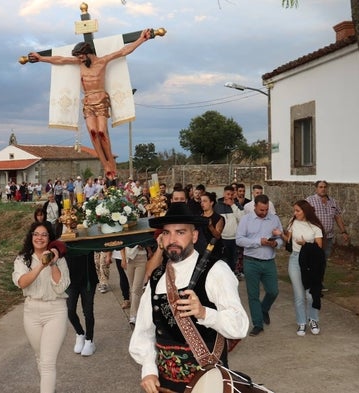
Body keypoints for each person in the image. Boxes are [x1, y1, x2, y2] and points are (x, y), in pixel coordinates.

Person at [129, 203, 249, 393]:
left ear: (194, 236)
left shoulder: (216, 270)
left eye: (180, 232)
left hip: (209, 384)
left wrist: (205, 313)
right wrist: (149, 370)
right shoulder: (157, 277)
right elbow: (144, 331)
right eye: (167, 233)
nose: (172, 239)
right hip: (166, 387)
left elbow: (240, 326)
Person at [28, 29, 152, 177]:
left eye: (81, 56)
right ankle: (105, 164)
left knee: (101, 132)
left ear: (88, 53)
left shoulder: (102, 61)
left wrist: (141, 39)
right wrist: (41, 58)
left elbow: (124, 51)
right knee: (93, 133)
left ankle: (111, 162)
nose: (79, 59)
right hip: (88, 102)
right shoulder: (79, 63)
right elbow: (60, 60)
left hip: (100, 100)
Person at [12, 222, 70, 393]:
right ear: (31, 237)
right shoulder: (22, 259)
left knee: (47, 362)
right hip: (31, 312)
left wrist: (52, 263)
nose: (39, 238)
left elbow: (61, 287)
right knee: (40, 358)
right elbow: (22, 283)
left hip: (55, 311)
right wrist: (40, 265)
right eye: (36, 234)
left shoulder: (60, 260)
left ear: (50, 239)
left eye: (44, 235)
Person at [236, 194, 284, 337]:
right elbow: (239, 240)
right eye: (261, 210)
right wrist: (258, 241)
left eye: (266, 209)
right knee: (253, 294)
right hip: (251, 261)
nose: (264, 212)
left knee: (273, 291)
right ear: (255, 206)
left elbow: (281, 239)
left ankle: (264, 309)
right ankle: (258, 324)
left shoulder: (274, 219)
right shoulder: (246, 220)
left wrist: (276, 243)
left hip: (269, 261)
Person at [277, 200, 325, 336]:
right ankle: (301, 322)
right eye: (294, 210)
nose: (295, 213)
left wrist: (306, 244)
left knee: (310, 294)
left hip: (311, 262)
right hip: (295, 259)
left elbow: (319, 249)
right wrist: (280, 234)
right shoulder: (293, 223)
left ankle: (313, 319)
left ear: (305, 211)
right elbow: (289, 240)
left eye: (297, 211)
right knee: (299, 294)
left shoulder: (315, 227)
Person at [306, 180, 349, 261]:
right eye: (320, 187)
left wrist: (344, 232)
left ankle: (320, 273)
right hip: (314, 237)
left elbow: (337, 217)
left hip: (328, 237)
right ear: (316, 189)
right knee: (313, 258)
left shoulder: (333, 201)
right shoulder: (309, 200)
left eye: (325, 187)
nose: (323, 189)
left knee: (324, 258)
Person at [66, 251, 98, 357]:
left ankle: (89, 340)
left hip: (88, 278)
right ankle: (80, 333)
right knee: (70, 310)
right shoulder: (63, 237)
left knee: (88, 311)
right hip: (70, 279)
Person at [215, 185, 244, 273]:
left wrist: (233, 205)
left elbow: (242, 219)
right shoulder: (217, 206)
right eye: (228, 194)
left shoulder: (237, 205)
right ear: (224, 194)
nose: (229, 197)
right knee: (224, 261)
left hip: (235, 238)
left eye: (231, 194)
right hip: (223, 238)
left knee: (234, 261)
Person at [122, 245, 150, 325]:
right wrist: (123, 259)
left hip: (141, 258)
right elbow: (122, 243)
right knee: (134, 289)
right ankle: (141, 312)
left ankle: (133, 314)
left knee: (136, 288)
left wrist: (146, 247)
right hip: (129, 259)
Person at [200, 192, 225, 263]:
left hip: (214, 250)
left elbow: (217, 235)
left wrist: (210, 226)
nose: (202, 203)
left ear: (211, 203)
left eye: (205, 201)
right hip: (201, 249)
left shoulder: (218, 218)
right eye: (201, 201)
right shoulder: (199, 217)